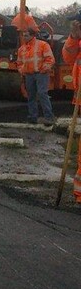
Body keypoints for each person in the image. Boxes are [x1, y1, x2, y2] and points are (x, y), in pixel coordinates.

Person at [17, 27, 55, 125]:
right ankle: (32, 117)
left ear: (32, 35)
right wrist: (22, 71)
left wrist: (44, 69)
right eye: (23, 35)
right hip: (29, 75)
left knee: (42, 94)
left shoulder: (42, 45)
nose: (24, 37)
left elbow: (50, 59)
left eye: (26, 35)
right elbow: (19, 62)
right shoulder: (22, 49)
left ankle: (49, 117)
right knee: (31, 96)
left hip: (41, 74)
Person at [62, 10, 81, 203]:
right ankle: (79, 195)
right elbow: (68, 58)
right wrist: (74, 38)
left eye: (77, 23)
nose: (75, 26)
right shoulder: (77, 41)